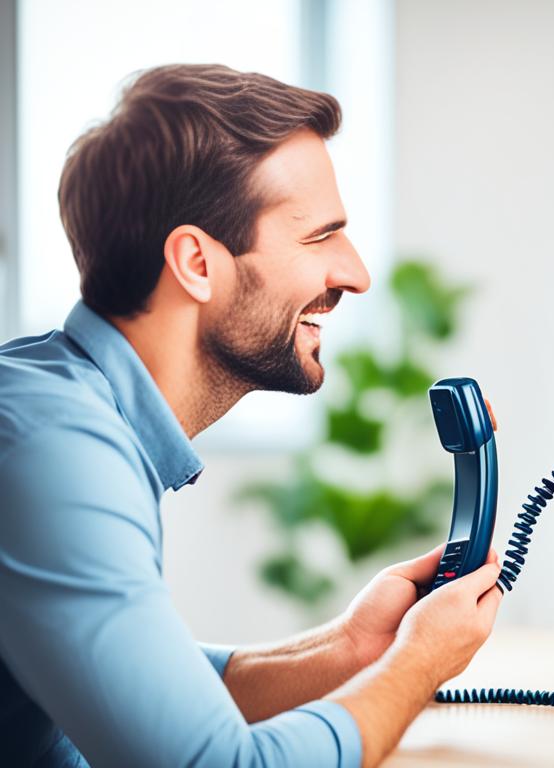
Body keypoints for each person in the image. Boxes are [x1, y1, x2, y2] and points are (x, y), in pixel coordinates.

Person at [0, 64, 502, 768]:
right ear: (197, 264)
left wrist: (348, 648)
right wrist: (417, 664)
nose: (356, 273)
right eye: (321, 236)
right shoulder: (52, 448)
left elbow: (150, 705)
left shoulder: (64, 410)